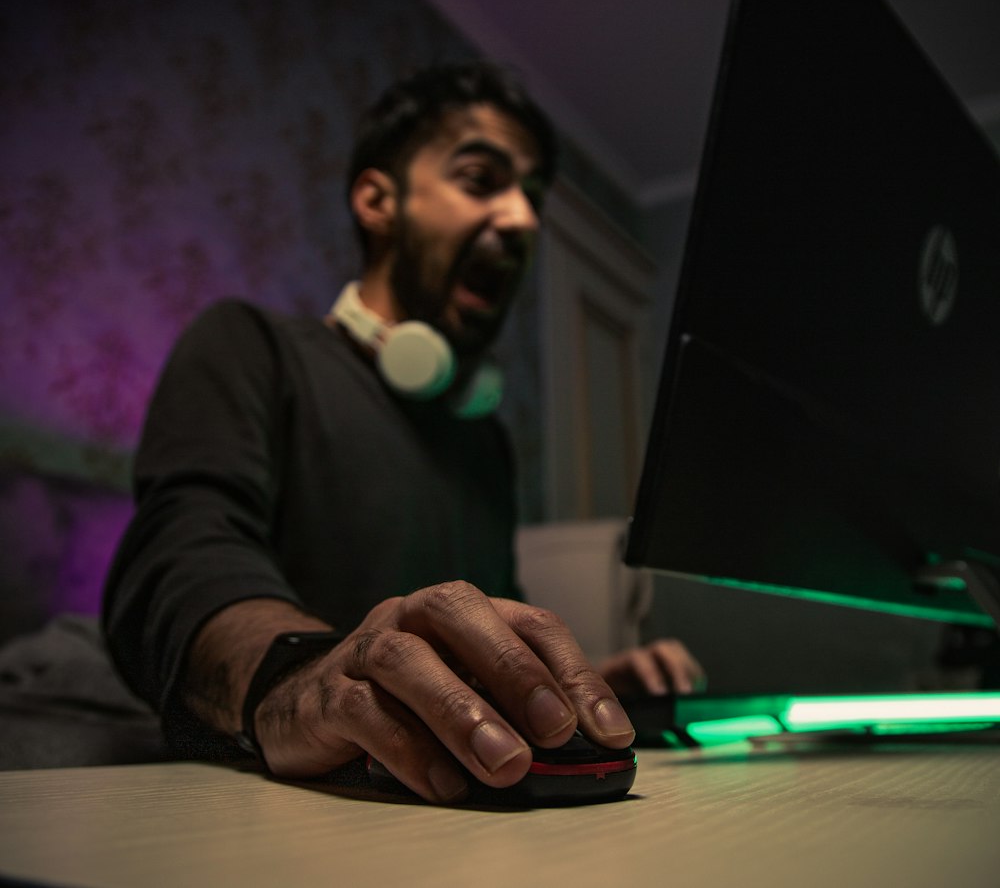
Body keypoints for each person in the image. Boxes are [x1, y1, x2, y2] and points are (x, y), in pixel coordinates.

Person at [103, 62, 702, 804]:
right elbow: (181, 555)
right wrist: (299, 677)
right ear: (378, 201)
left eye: (532, 197)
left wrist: (556, 694)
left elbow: (480, 625)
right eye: (482, 179)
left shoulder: (484, 445)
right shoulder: (248, 345)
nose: (521, 220)